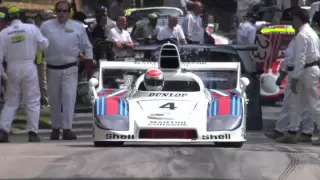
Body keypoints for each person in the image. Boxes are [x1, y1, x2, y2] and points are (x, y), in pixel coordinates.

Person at [40, 0, 93, 140]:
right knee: (54, 99)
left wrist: (88, 67)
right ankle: (56, 128)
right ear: (55, 11)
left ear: (69, 12)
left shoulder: (78, 27)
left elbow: (87, 47)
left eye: (64, 11)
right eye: (59, 11)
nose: (61, 14)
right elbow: (37, 44)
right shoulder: (46, 26)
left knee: (69, 98)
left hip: (70, 68)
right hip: (52, 68)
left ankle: (67, 128)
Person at [0, 6, 49, 143]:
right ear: (22, 15)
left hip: (12, 68)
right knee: (33, 101)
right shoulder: (32, 28)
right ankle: (33, 132)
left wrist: (2, 72)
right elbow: (44, 44)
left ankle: (3, 131)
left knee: (11, 102)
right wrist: (34, 47)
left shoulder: (4, 33)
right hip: (29, 66)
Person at [276, 7, 320, 145]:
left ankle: (294, 132)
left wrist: (294, 79)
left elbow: (300, 60)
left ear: (299, 19)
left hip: (305, 72)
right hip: (309, 70)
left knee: (313, 104)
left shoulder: (302, 35)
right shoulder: (311, 33)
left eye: (294, 19)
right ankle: (292, 132)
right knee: (296, 104)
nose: (292, 22)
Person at [265, 38, 313, 142]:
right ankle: (281, 129)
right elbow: (288, 60)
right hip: (293, 73)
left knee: (304, 104)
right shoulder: (294, 41)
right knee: (289, 103)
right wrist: (282, 75)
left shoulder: (305, 39)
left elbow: (303, 59)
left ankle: (306, 132)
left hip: (301, 73)